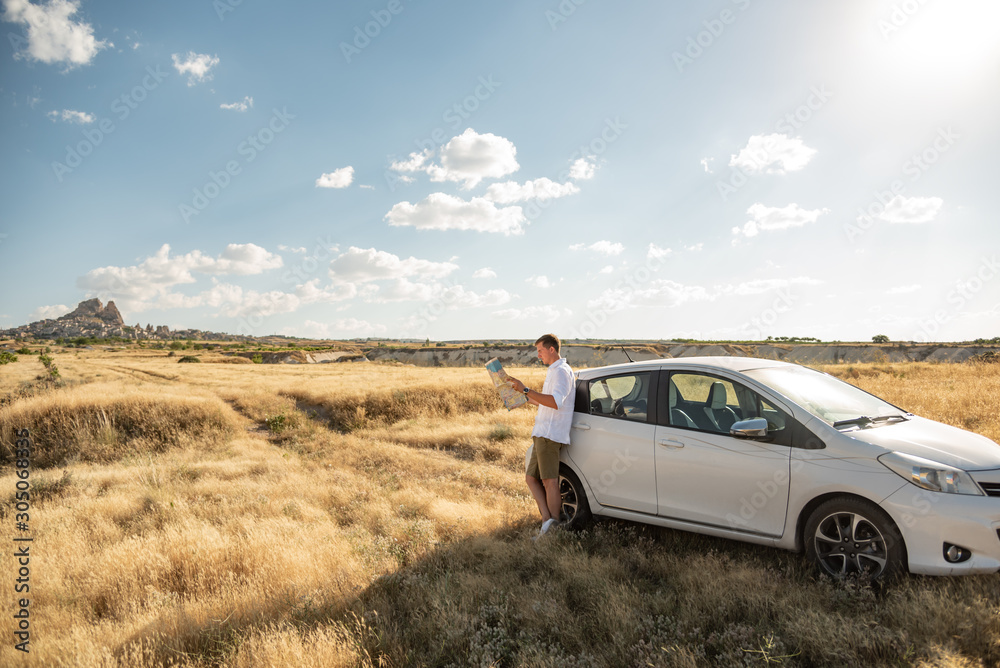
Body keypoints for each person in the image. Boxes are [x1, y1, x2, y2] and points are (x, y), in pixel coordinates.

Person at [507, 334, 575, 538]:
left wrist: (526, 389)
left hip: (550, 434)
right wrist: (521, 397)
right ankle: (547, 521)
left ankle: (552, 528)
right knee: (531, 478)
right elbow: (544, 402)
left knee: (549, 481)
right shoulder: (554, 370)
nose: (538, 355)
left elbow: (555, 402)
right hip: (542, 433)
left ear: (552, 349)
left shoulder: (561, 371)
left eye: (540, 351)